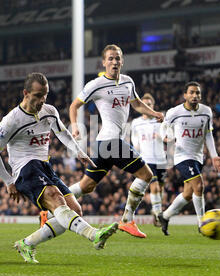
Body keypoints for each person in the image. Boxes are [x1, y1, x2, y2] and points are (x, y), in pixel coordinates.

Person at [0, 72, 118, 263]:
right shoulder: (11, 120)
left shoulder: (49, 111)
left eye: (45, 95)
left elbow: (62, 133)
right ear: (26, 93)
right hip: (25, 169)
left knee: (75, 209)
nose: (42, 100)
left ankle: (27, 243)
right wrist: (8, 181)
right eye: (38, 95)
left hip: (45, 166)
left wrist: (78, 152)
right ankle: (93, 234)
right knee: (57, 198)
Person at [67, 44, 164, 238]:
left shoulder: (128, 82)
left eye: (117, 58)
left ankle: (51, 204)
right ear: (104, 62)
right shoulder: (96, 84)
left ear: (122, 61)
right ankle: (127, 220)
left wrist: (154, 113)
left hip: (105, 144)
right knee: (146, 175)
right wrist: (75, 125)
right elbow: (75, 105)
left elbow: (136, 103)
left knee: (87, 186)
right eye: (110, 58)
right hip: (110, 141)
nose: (114, 62)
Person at [158, 81, 220, 236]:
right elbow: (164, 126)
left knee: (188, 194)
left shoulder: (206, 111)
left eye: (198, 93)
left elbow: (208, 134)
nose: (195, 95)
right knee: (199, 186)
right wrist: (165, 137)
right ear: (185, 95)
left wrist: (214, 156)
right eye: (192, 92)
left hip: (198, 156)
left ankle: (165, 216)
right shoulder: (175, 112)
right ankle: (202, 223)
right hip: (181, 155)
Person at [131, 93, 168, 227]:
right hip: (146, 160)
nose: (147, 106)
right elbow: (134, 141)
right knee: (155, 186)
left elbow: (169, 137)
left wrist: (164, 138)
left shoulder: (159, 121)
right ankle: (159, 215)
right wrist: (137, 151)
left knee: (161, 189)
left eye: (150, 104)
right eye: (145, 104)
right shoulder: (136, 123)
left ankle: (156, 209)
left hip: (161, 159)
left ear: (153, 106)